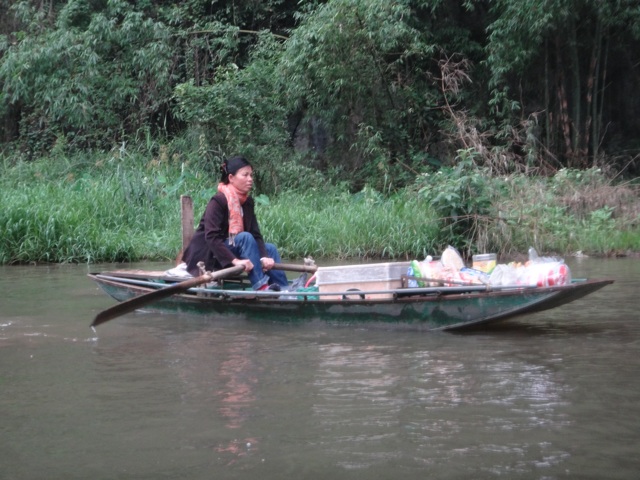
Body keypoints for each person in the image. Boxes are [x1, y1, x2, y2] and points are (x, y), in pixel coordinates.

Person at [181, 156, 289, 291]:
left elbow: (256, 234)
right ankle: (261, 286)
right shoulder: (218, 201)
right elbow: (212, 237)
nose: (250, 179)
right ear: (231, 178)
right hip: (210, 256)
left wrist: (264, 257)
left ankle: (284, 288)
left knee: (270, 249)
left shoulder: (247, 202)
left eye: (251, 175)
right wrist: (236, 261)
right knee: (244, 237)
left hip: (232, 249)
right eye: (245, 175)